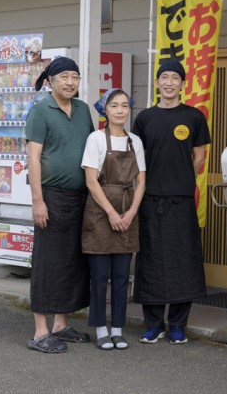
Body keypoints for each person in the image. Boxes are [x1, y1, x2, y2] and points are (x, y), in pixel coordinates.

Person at [131, 60, 211, 345]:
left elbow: (199, 155)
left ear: (182, 84)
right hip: (150, 199)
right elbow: (136, 159)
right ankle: (153, 324)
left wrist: (182, 176)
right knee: (151, 261)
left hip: (182, 199)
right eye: (163, 77)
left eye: (174, 78)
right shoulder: (144, 118)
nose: (168, 82)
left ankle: (178, 324)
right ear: (156, 82)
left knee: (183, 262)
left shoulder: (194, 116)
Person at [24, 56, 94, 354]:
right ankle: (40, 332)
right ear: (50, 80)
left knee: (72, 262)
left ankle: (61, 324)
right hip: (51, 197)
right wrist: (38, 201)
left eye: (75, 77)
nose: (70, 82)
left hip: (81, 198)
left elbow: (93, 151)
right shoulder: (40, 112)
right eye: (64, 76)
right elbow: (34, 159)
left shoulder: (82, 110)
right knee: (47, 263)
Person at [81, 88, 146, 351]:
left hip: (128, 208)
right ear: (104, 110)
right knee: (99, 276)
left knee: (121, 276)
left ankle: (118, 329)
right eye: (114, 106)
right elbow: (90, 181)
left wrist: (131, 213)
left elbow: (141, 180)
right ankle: (100, 329)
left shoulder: (136, 141)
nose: (120, 111)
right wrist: (110, 212)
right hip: (100, 211)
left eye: (124, 106)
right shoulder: (95, 139)